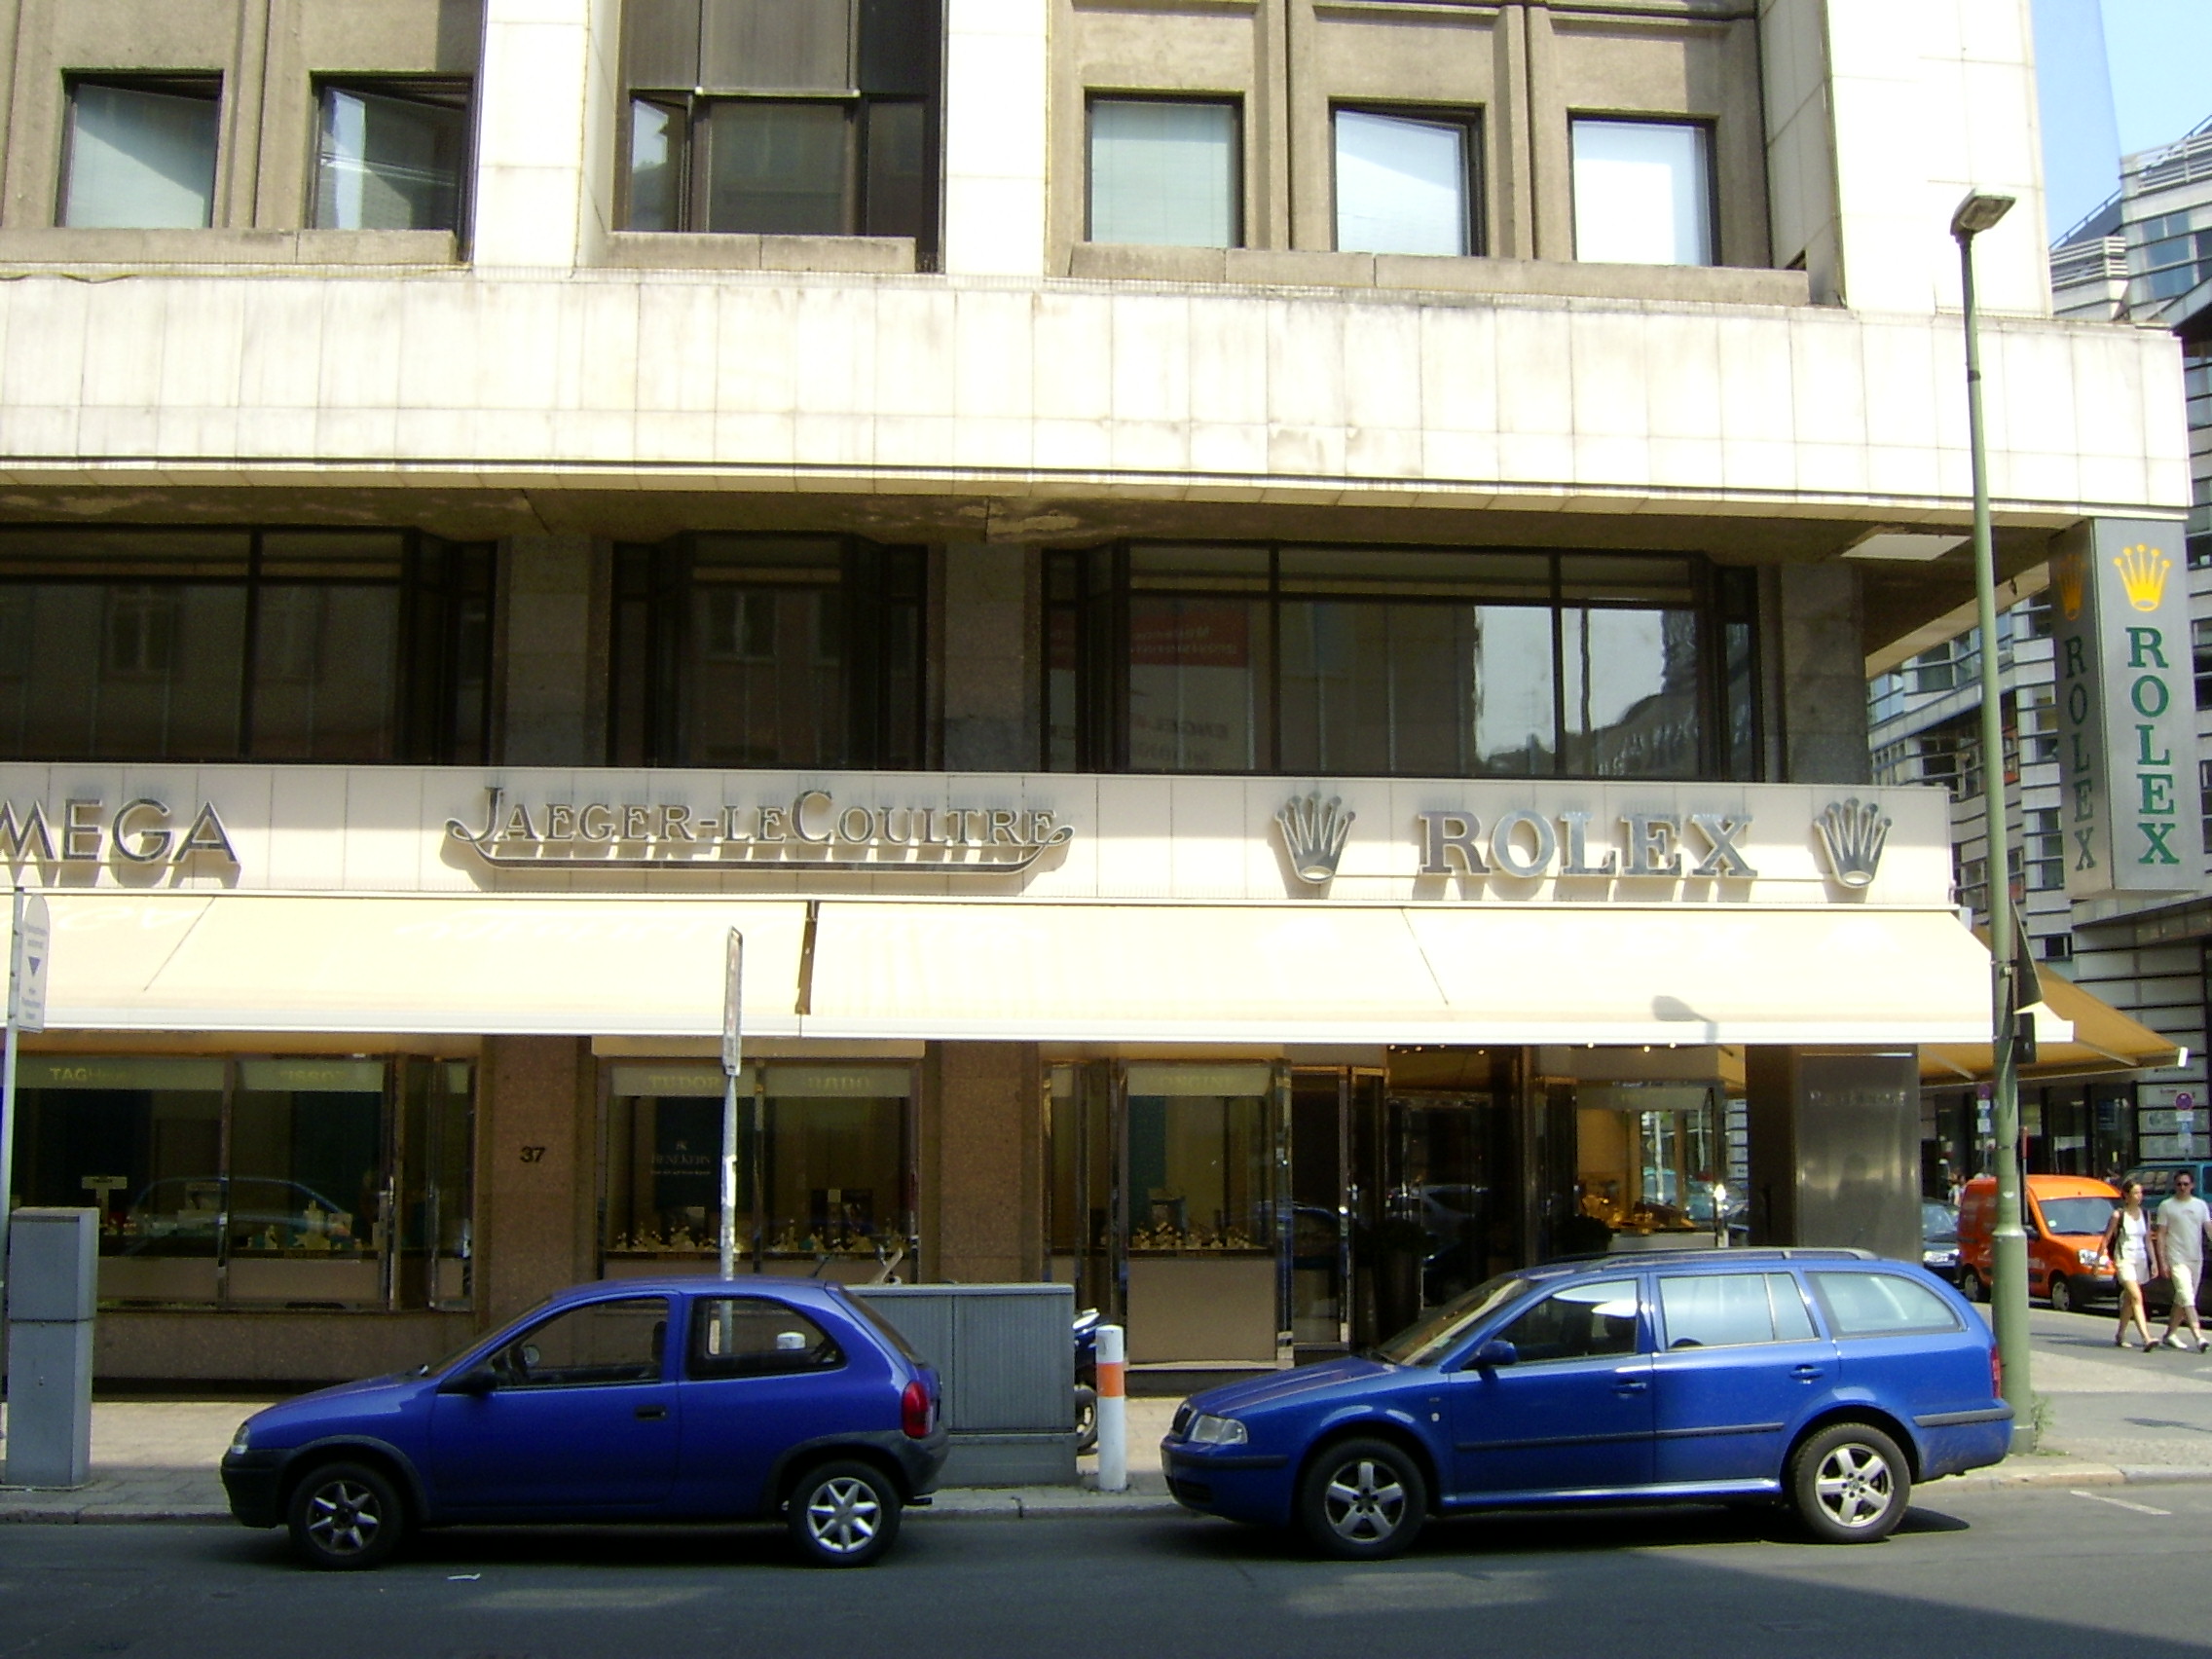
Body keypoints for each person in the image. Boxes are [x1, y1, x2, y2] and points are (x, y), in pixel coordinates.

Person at [2102, 1180, 2160, 1352]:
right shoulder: (2118, 1215)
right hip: (2124, 1260)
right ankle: (2146, 1337)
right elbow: (2106, 1238)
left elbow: (2147, 1239)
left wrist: (2154, 1261)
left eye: (2140, 1192)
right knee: (2136, 1296)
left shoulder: (2145, 1214)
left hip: (2140, 1260)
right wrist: (2099, 1261)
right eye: (2135, 1193)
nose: (2139, 1196)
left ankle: (2120, 1334)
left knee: (2129, 1300)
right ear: (2126, 1196)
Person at [2157, 1170, 2212, 1351]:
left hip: (2195, 1258)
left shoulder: (2200, 1205)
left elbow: (2208, 1228)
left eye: (2186, 1184)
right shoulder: (2167, 1206)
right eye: (2179, 1184)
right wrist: (2162, 1261)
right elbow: (2161, 1235)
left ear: (2192, 1186)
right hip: (2176, 1257)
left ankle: (2170, 1334)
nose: (2182, 1187)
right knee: (2186, 1295)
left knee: (2183, 1298)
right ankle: (2199, 1336)